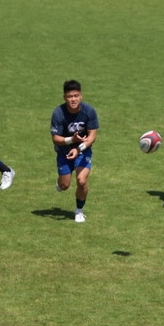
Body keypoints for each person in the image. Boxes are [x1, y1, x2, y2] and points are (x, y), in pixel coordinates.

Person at [51, 80, 100, 223]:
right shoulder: (58, 113)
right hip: (64, 152)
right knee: (65, 185)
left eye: (76, 96)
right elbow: (55, 138)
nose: (73, 99)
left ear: (81, 96)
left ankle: (79, 210)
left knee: (82, 181)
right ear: (64, 97)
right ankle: (60, 182)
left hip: (83, 150)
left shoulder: (89, 111)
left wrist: (78, 149)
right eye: (69, 96)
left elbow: (92, 136)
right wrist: (72, 140)